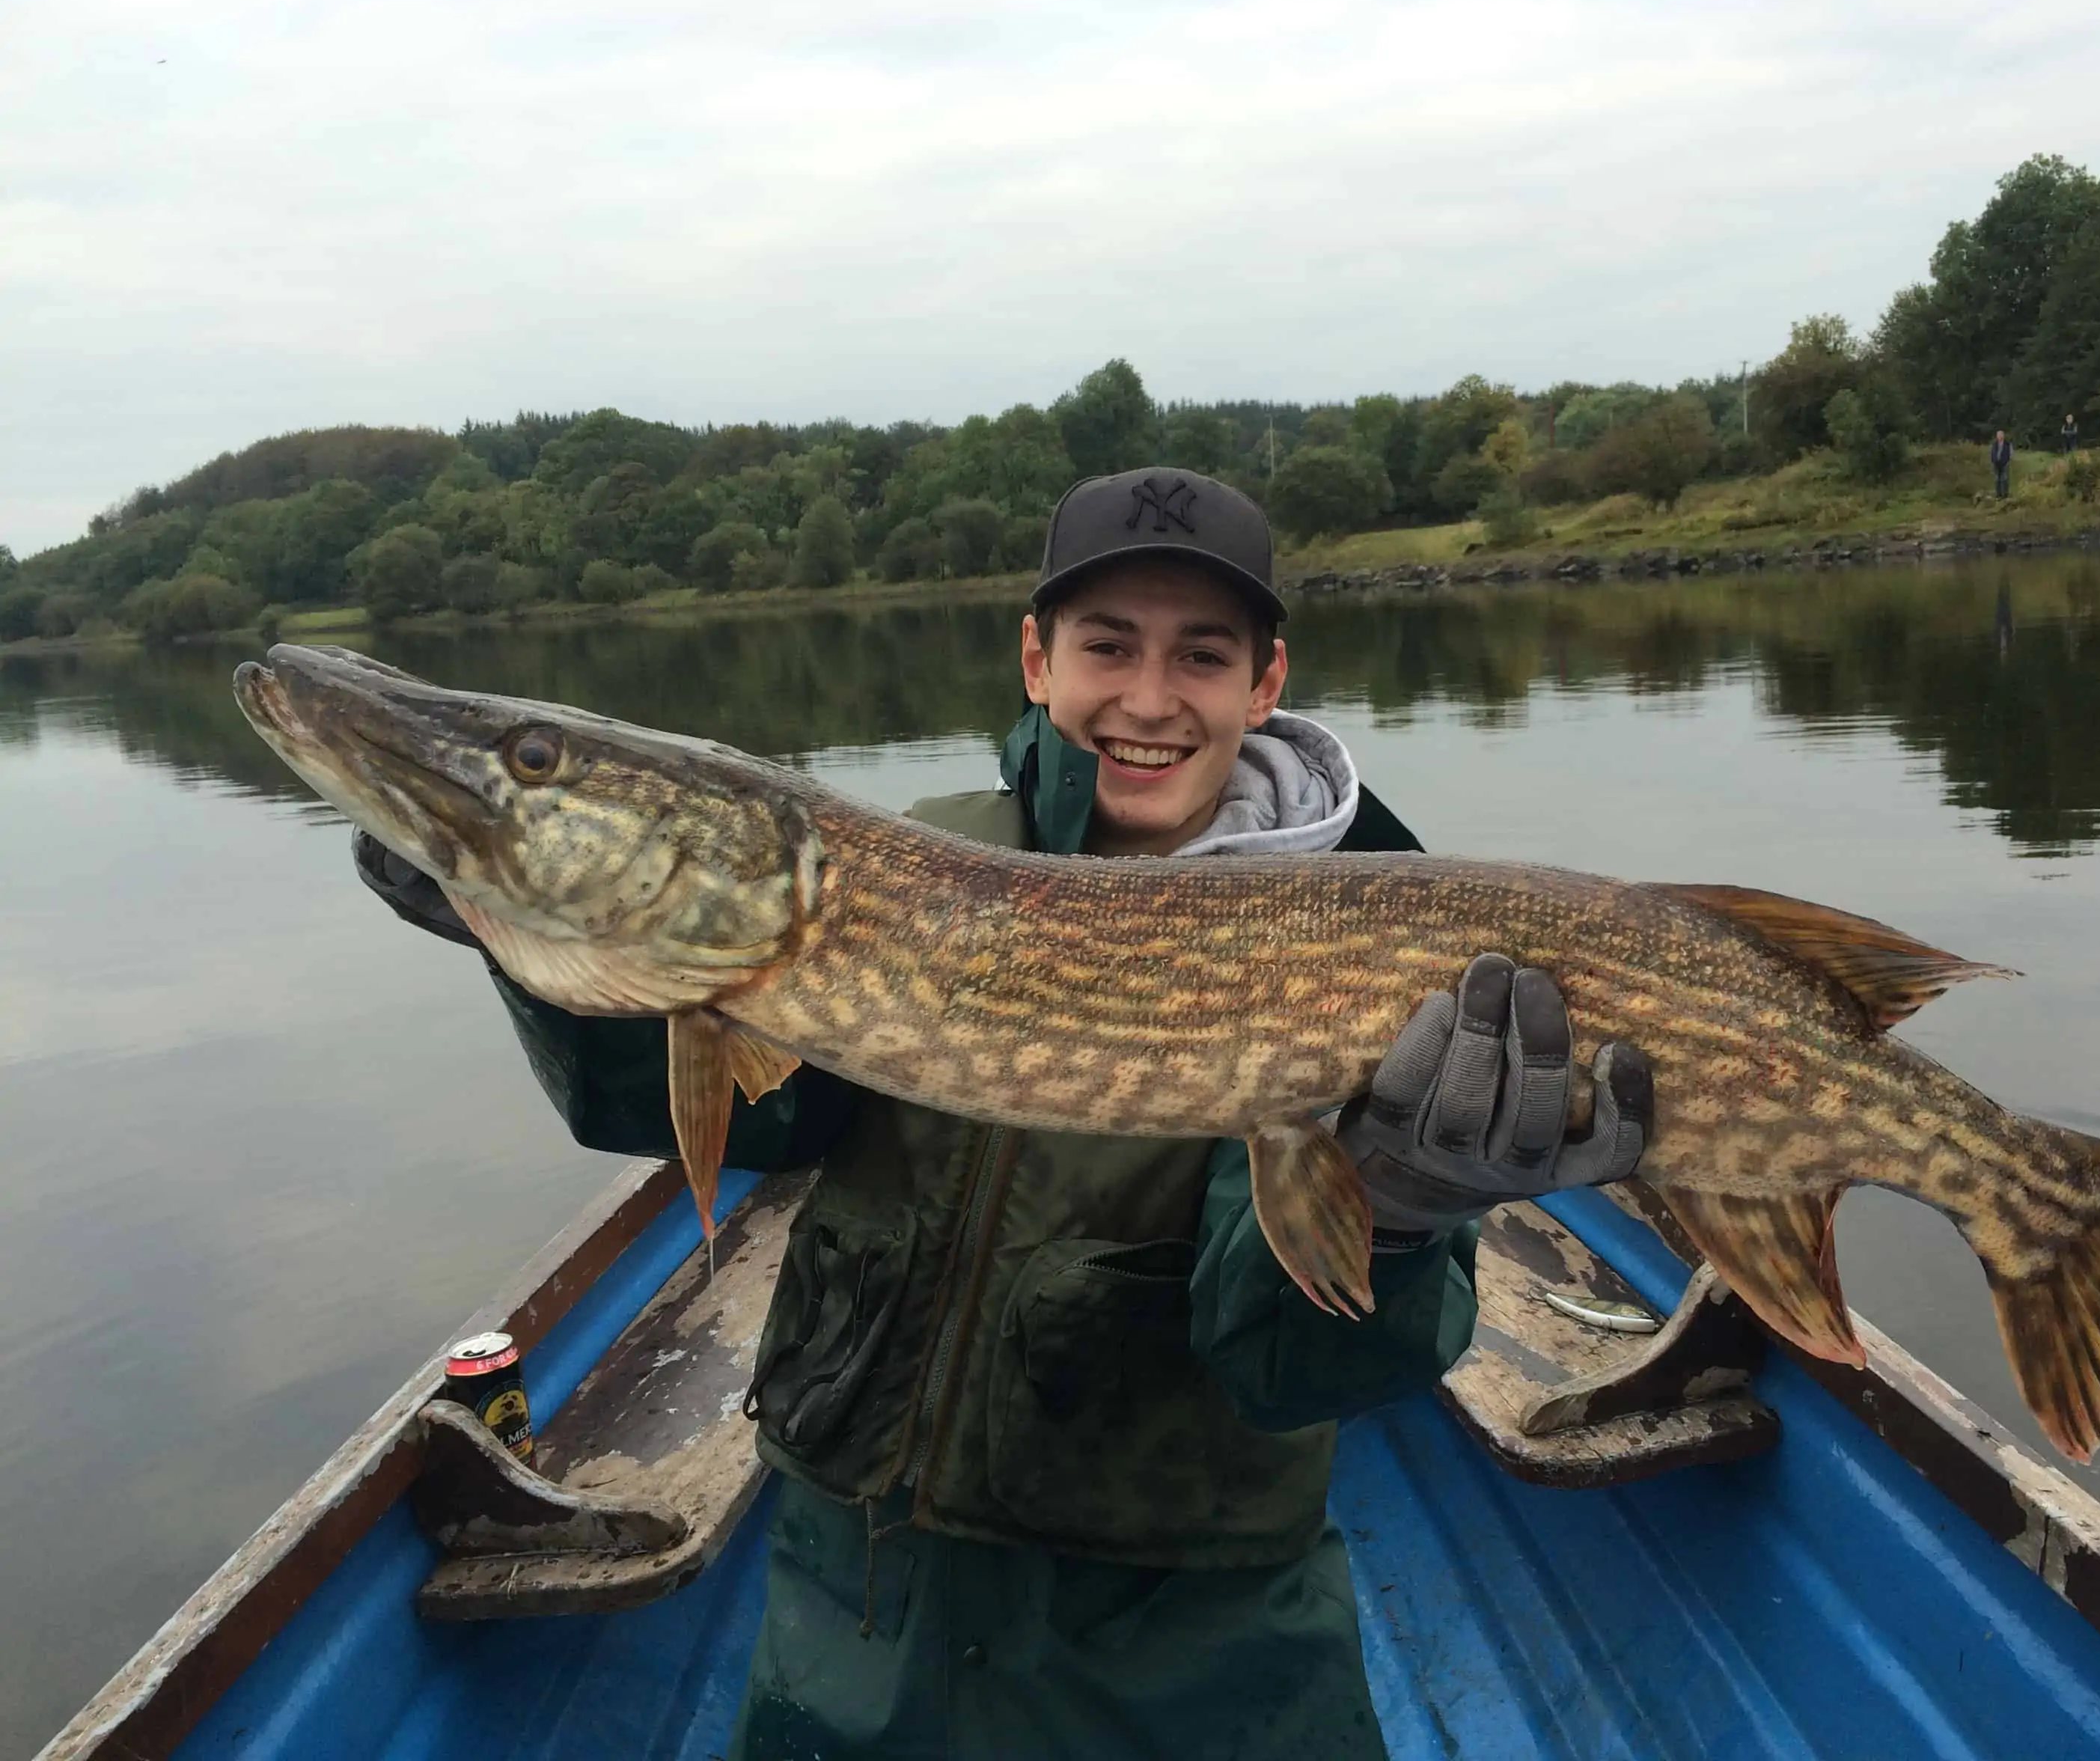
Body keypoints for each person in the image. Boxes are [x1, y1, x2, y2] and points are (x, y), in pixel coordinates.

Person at [352, 466, 1657, 1761]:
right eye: (1107, 646)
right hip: (856, 1615)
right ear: (1036, 658)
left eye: (1199, 656)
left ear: (1264, 684)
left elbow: (1297, 1369)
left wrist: (1404, 1208)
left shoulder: (1370, 927)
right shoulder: (890, 868)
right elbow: (742, 1114)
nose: (1147, 699)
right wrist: (532, 938)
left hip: (1182, 1657)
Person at [1991, 428, 2013, 498]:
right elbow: (1992, 453)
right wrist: (1993, 461)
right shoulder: (1994, 444)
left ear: (2003, 436)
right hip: (1996, 464)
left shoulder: (2008, 444)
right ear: (1997, 436)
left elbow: (2011, 453)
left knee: (2005, 479)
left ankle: (2005, 494)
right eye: (1998, 435)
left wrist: (2008, 461)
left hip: (2005, 463)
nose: (2000, 437)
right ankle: (1998, 494)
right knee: (1997, 479)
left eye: (2001, 435)